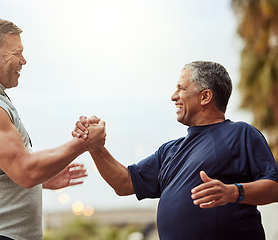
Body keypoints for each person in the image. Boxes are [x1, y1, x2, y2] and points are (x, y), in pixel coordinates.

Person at [0, 18, 106, 240]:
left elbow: (4, 171)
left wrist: (43, 180)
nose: (23, 61)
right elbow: (25, 172)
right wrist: (84, 143)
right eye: (16, 53)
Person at [73, 61, 278, 240]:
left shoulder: (241, 133)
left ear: (205, 96)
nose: (173, 96)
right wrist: (95, 147)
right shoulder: (170, 150)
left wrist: (234, 192)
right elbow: (124, 183)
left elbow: (274, 187)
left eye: (181, 88)